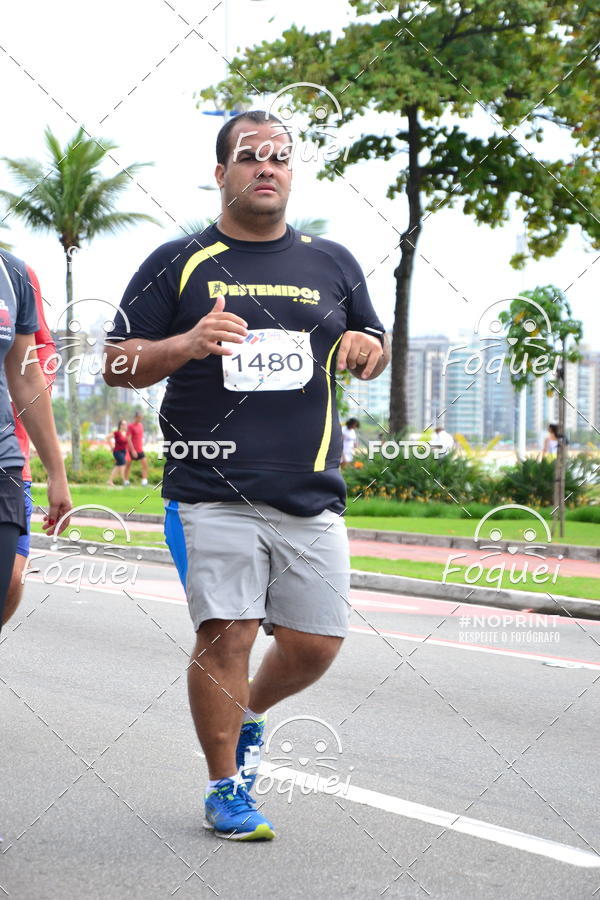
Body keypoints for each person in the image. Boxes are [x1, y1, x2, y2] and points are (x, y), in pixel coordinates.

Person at [104, 109, 390, 841]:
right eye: (250, 155)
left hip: (310, 492)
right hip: (212, 490)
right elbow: (117, 363)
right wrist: (188, 342)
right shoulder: (179, 260)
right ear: (221, 172)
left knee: (315, 644)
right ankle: (224, 786)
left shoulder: (333, 262)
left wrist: (368, 346)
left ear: (291, 173)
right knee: (226, 632)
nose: (267, 166)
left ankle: (249, 715)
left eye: (280, 156)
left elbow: (373, 339)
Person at [0, 251, 71, 629]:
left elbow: (29, 371)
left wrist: (56, 472)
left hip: (6, 459)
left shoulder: (13, 273)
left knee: (9, 582)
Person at [124, 410, 148, 486]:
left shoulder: (141, 425)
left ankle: (144, 481)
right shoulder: (130, 426)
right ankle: (126, 481)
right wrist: (133, 450)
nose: (140, 419)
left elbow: (140, 437)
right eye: (139, 417)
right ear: (135, 417)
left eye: (141, 417)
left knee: (145, 464)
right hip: (132, 450)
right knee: (128, 466)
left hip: (140, 449)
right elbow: (128, 439)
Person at [107, 419, 128, 486]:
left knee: (117, 467)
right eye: (123, 424)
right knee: (123, 464)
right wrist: (111, 446)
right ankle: (124, 481)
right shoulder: (117, 433)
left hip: (123, 452)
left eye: (125, 424)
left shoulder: (126, 433)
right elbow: (107, 438)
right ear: (120, 425)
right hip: (117, 451)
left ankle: (110, 481)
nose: (125, 425)